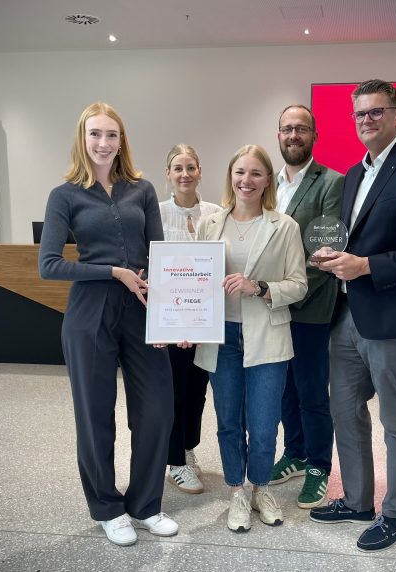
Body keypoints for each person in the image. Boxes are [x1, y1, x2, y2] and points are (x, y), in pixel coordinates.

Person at [309, 80, 396, 552]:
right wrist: (336, 256)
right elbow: (360, 239)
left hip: (395, 319)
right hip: (348, 312)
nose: (366, 121)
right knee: (344, 410)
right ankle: (356, 500)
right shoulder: (353, 174)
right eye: (359, 115)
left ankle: (395, 513)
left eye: (375, 112)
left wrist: (367, 266)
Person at [39, 102, 178, 547]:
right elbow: (49, 265)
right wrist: (111, 271)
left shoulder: (142, 189)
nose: (103, 143)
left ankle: (145, 504)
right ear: (83, 138)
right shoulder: (65, 195)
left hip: (141, 309)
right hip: (89, 313)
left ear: (123, 140)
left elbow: (161, 255)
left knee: (157, 408)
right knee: (95, 415)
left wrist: (175, 311)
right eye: (95, 134)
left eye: (112, 135)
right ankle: (106, 507)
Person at [193, 144, 307, 532]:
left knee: (262, 423)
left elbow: (298, 286)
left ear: (267, 180)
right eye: (240, 172)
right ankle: (236, 491)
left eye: (256, 173)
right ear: (230, 177)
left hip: (266, 337)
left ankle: (260, 488)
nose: (247, 180)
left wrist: (258, 287)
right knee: (228, 421)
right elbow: (193, 281)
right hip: (220, 336)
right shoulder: (210, 224)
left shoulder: (284, 226)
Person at [269, 104, 343, 509]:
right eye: (286, 129)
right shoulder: (268, 184)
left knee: (312, 391)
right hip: (269, 308)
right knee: (283, 389)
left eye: (301, 129)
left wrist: (284, 291)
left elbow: (326, 256)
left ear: (314, 135)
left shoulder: (332, 182)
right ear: (277, 135)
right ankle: (294, 453)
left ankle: (318, 467)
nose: (293, 135)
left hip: (309, 305)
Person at [159, 144, 222, 494]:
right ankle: (175, 462)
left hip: (204, 321)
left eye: (191, 167)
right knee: (172, 392)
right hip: (169, 323)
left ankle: (187, 450)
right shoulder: (155, 213)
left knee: (197, 391)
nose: (185, 174)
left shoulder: (216, 213)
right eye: (177, 168)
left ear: (200, 172)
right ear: (168, 173)